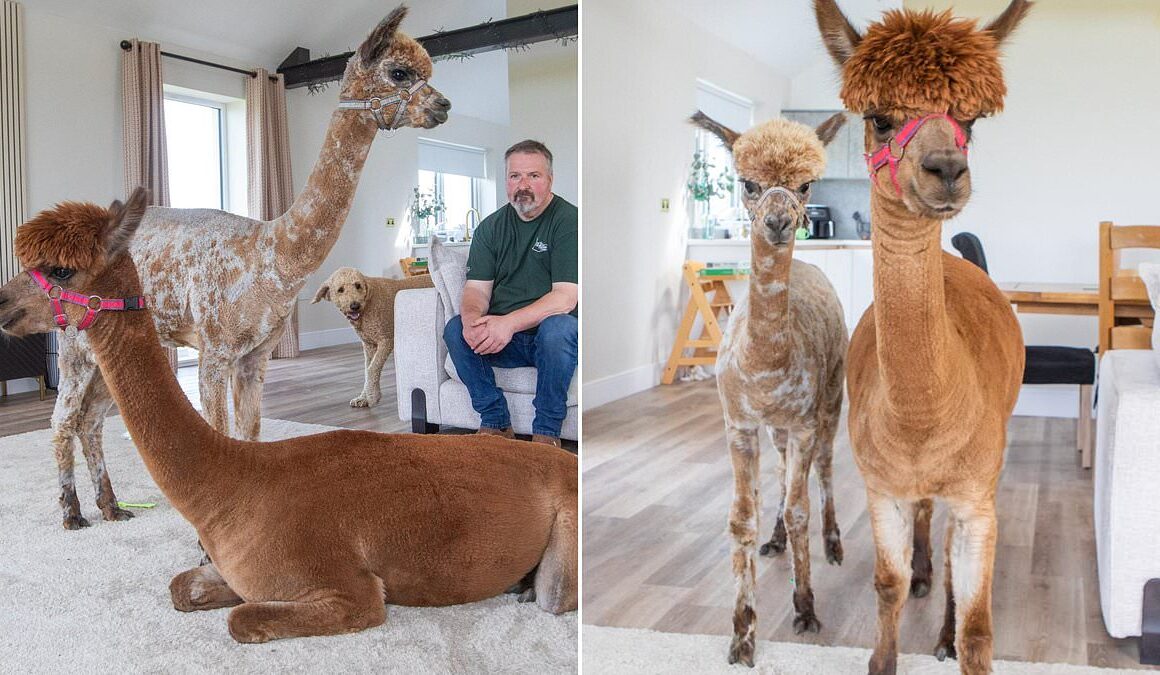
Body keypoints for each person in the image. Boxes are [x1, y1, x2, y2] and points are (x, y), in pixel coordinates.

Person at [442, 140, 578, 447]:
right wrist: (473, 321)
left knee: (560, 327)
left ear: (550, 180)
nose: (524, 185)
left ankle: (546, 433)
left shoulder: (569, 221)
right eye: (515, 176)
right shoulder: (490, 228)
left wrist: (507, 323)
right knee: (455, 328)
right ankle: (495, 422)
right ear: (506, 181)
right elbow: (476, 289)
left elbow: (565, 298)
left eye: (534, 176)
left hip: (554, 339)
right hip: (508, 340)